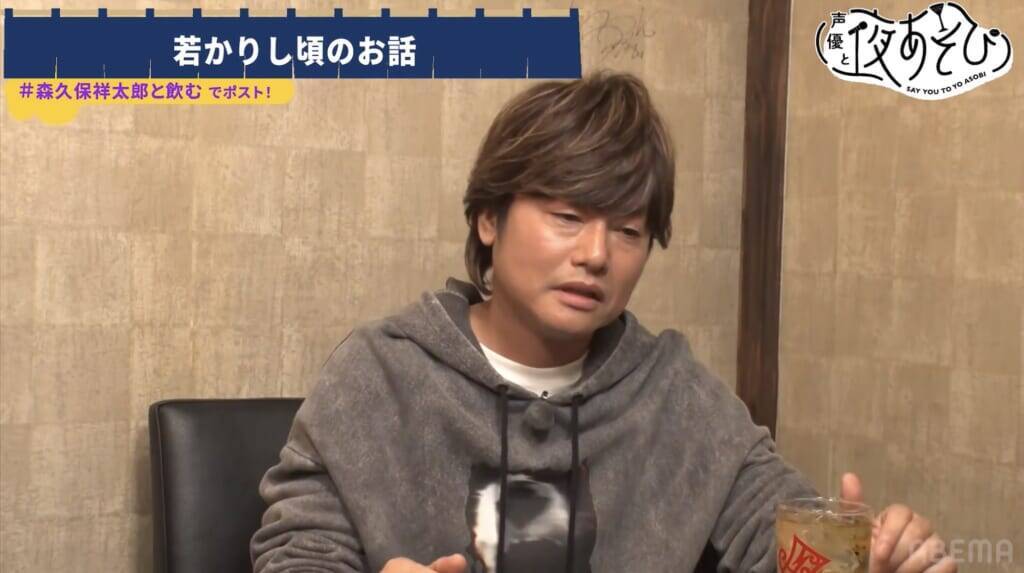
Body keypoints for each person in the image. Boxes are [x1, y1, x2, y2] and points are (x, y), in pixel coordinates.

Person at [250, 71, 954, 573]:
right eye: (567, 216)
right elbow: (295, 552)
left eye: (628, 231)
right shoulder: (379, 375)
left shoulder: (675, 396)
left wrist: (870, 558)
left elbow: (778, 535)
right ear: (489, 218)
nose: (596, 254)